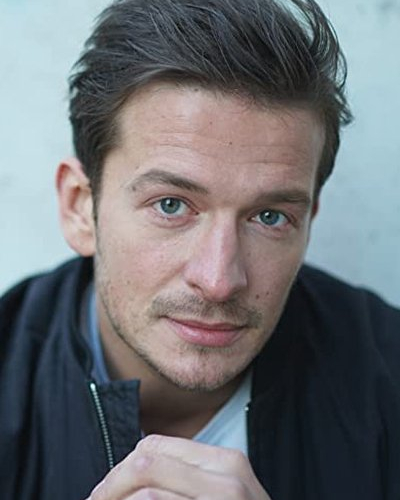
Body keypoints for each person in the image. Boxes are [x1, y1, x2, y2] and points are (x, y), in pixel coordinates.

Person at [1, 0, 399, 498]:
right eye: (171, 205)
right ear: (80, 207)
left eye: (269, 217)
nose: (218, 280)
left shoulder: (388, 382)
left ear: (308, 221)